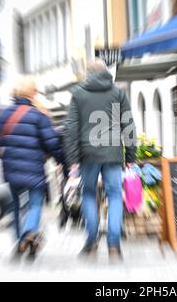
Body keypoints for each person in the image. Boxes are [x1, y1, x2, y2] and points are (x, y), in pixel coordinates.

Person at [0, 76, 62, 261]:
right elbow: (51, 143)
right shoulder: (39, 116)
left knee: (16, 207)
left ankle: (19, 244)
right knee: (35, 205)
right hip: (34, 167)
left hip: (10, 168)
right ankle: (28, 233)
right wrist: (61, 160)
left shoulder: (5, 114)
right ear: (32, 93)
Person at [64, 59, 136, 261]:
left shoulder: (78, 94)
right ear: (106, 72)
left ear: (88, 73)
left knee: (88, 194)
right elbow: (128, 125)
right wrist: (130, 155)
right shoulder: (117, 93)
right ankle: (114, 245)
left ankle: (91, 242)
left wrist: (72, 159)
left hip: (88, 154)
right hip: (112, 153)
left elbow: (71, 128)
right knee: (114, 194)